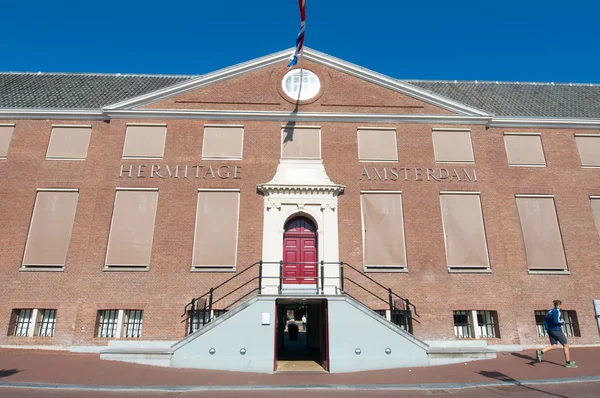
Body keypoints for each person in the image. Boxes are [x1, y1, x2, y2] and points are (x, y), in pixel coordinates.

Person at [536, 300, 577, 368]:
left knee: (554, 346)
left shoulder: (549, 311)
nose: (561, 307)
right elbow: (556, 321)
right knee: (565, 345)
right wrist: (562, 322)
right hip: (556, 330)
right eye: (561, 306)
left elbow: (546, 320)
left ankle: (541, 352)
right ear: (559, 305)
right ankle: (568, 363)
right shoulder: (557, 311)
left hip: (550, 330)